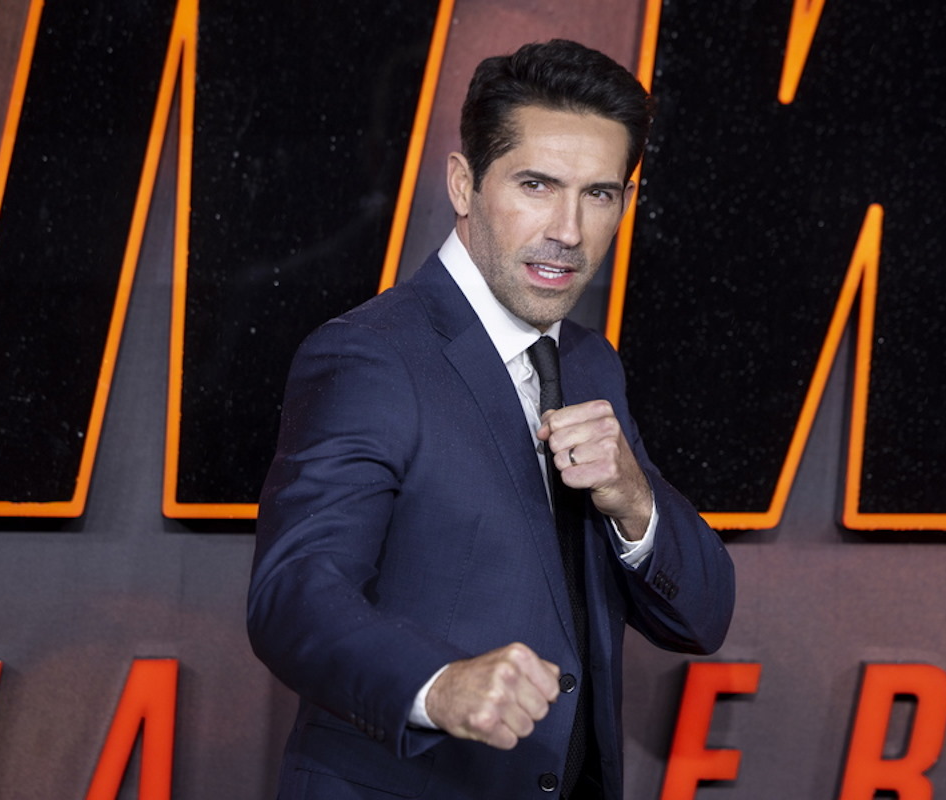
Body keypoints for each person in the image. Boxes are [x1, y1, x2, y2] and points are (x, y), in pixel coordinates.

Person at [248, 39, 735, 799]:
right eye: (537, 185)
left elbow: (704, 618)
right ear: (464, 183)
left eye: (600, 193)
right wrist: (437, 685)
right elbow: (294, 594)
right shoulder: (370, 357)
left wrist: (635, 501)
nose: (569, 230)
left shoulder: (591, 363)